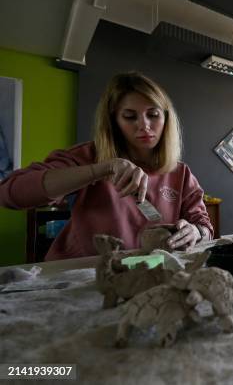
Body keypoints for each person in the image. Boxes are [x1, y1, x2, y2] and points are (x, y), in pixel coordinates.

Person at [0, 72, 213, 260]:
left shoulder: (180, 173)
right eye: (130, 116)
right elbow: (10, 193)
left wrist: (196, 231)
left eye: (153, 114)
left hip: (149, 273)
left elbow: (205, 228)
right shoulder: (88, 157)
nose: (144, 126)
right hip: (82, 275)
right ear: (114, 121)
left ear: (166, 118)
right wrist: (101, 169)